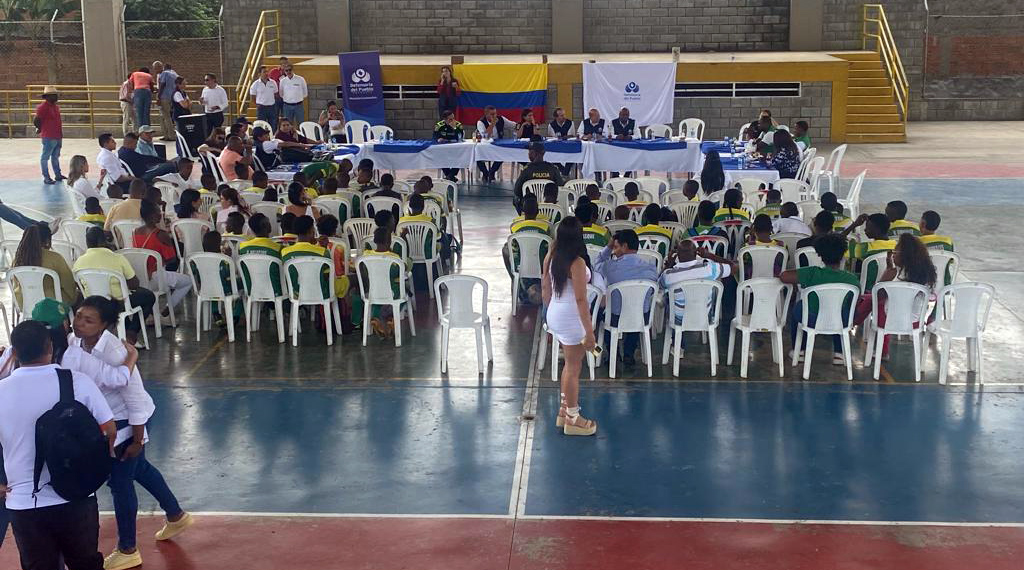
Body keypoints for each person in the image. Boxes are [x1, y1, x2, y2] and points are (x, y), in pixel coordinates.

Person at [64, 296, 192, 570]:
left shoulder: (115, 352)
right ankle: (176, 515)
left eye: (88, 320)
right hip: (107, 420)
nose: (79, 323)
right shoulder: (75, 342)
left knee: (120, 483)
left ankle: (128, 549)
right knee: (140, 469)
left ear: (104, 325)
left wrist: (137, 438)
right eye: (79, 316)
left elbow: (134, 398)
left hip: (127, 422)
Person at [0, 320, 116, 570]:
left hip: (24, 501)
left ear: (14, 352)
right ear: (50, 347)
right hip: (76, 496)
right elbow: (109, 430)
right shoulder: (77, 382)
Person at [541, 216, 597, 436]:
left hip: (555, 312)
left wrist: (550, 313)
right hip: (571, 317)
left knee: (568, 365)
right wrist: (589, 332)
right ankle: (573, 417)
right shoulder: (578, 263)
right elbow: (581, 300)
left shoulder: (551, 256)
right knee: (574, 368)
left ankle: (564, 410)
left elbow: (545, 286)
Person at [780, 233, 859, 365]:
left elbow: (784, 276)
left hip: (811, 319)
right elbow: (854, 305)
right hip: (840, 321)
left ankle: (799, 350)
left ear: (820, 255)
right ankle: (839, 353)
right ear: (842, 255)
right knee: (840, 309)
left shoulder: (811, 273)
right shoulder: (852, 279)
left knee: (799, 307)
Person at [74, 227, 156, 345]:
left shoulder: (79, 261)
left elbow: (78, 284)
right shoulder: (117, 258)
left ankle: (124, 331)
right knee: (148, 296)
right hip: (117, 303)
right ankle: (131, 332)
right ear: (103, 241)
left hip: (93, 303)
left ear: (87, 242)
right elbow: (134, 284)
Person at [594, 229, 659, 367]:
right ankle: (629, 352)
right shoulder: (651, 268)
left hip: (615, 318)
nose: (614, 251)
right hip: (642, 317)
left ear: (624, 246)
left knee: (603, 313)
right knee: (636, 309)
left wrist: (608, 247)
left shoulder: (610, 267)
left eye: (616, 247)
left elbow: (596, 264)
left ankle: (612, 353)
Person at [660, 240, 735, 335]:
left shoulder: (669, 276)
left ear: (677, 255)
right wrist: (709, 255)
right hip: (705, 316)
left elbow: (659, 285)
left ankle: (677, 340)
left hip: (679, 320)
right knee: (712, 287)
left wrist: (669, 264)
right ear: (696, 253)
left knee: (668, 295)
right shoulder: (709, 269)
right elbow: (734, 267)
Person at [132, 200, 191, 318]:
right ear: (152, 216)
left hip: (139, 277)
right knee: (188, 281)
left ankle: (153, 313)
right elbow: (171, 259)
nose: (161, 214)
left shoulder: (135, 232)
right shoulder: (161, 234)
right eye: (158, 212)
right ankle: (167, 310)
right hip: (155, 278)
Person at [12, 222, 79, 306]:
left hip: (24, 303)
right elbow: (68, 285)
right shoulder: (55, 258)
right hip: (51, 304)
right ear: (47, 240)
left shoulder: (17, 259)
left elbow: (15, 285)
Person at [512, 141, 565, 213]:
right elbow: (561, 186)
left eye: (530, 151)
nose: (528, 154)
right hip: (549, 209)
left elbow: (517, 191)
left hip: (531, 208)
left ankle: (526, 216)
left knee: (515, 199)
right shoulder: (552, 169)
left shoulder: (527, 170)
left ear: (536, 153)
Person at [35, 85, 64, 184]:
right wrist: (40, 128)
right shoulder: (42, 107)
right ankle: (46, 177)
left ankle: (58, 175)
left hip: (57, 135)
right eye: (54, 95)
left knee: (55, 156)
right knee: (45, 157)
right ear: (47, 97)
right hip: (49, 135)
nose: (56, 97)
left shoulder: (55, 107)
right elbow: (37, 120)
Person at [475, 105, 513, 182]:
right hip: (485, 146)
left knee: (503, 154)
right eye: (492, 114)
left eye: (495, 113)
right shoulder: (480, 122)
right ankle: (485, 173)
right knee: (477, 155)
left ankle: (492, 172)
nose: (494, 116)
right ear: (486, 114)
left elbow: (513, 125)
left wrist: (520, 125)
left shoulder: (501, 119)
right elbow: (485, 136)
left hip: (497, 145)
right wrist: (492, 124)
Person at [433, 110, 464, 182]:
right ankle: (451, 176)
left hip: (456, 150)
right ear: (445, 119)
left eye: (453, 118)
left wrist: (454, 128)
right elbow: (434, 137)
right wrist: (438, 139)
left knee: (461, 157)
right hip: (443, 150)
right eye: (450, 119)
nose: (453, 121)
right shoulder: (439, 126)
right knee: (439, 158)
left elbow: (460, 137)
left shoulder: (458, 125)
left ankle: (449, 176)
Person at [248, 65, 279, 132]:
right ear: (259, 74)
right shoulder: (255, 84)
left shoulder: (273, 82)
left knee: (273, 125)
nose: (266, 73)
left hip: (272, 107)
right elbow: (253, 97)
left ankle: (271, 136)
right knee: (261, 126)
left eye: (267, 71)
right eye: (264, 72)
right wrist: (257, 105)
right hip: (261, 108)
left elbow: (276, 94)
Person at [156, 62, 177, 140]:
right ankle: (167, 135)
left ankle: (170, 135)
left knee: (166, 117)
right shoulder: (174, 73)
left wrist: (158, 96)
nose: (155, 70)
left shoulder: (164, 73)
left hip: (164, 97)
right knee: (167, 117)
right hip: (172, 97)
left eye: (155, 68)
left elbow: (162, 85)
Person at [130, 67, 154, 133]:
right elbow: (151, 86)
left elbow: (131, 83)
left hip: (138, 91)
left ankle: (141, 130)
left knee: (139, 111)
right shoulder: (149, 76)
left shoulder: (135, 74)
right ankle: (147, 129)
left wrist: (134, 90)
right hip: (147, 92)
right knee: (146, 112)